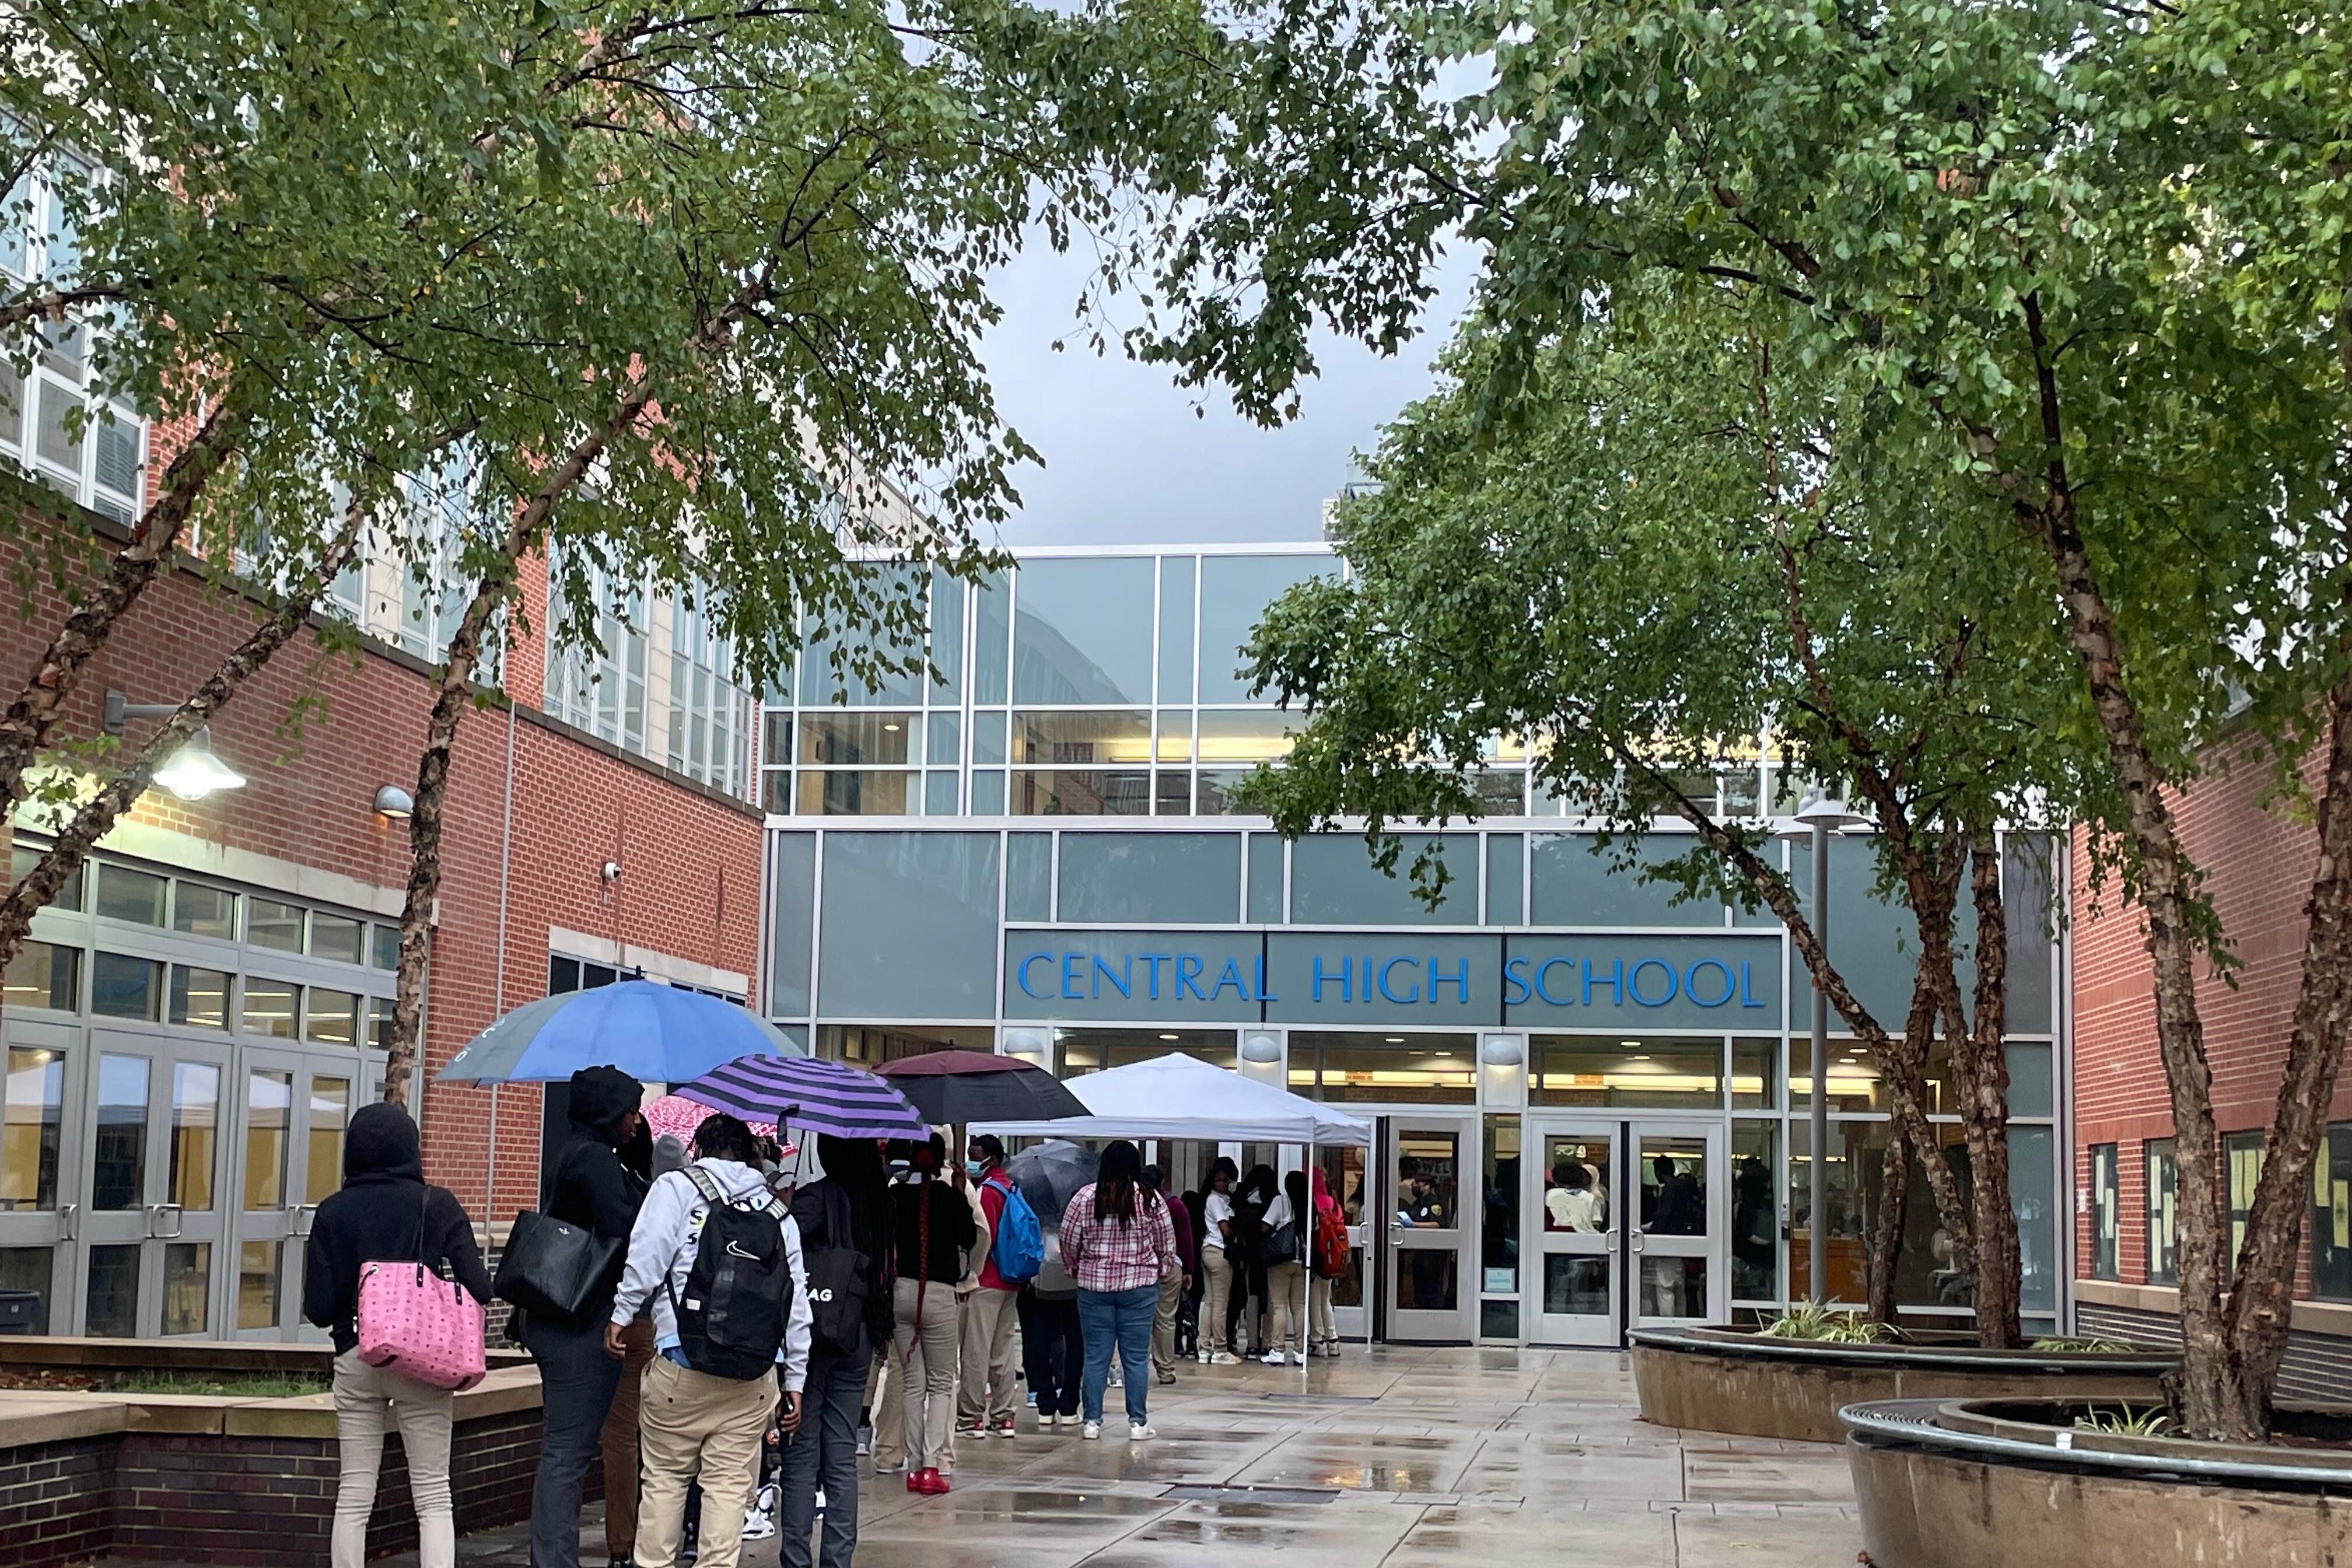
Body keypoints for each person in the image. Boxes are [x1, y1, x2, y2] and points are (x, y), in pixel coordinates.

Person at [607, 1113, 811, 1568]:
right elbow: (796, 1305)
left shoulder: (677, 1188)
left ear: (698, 1149)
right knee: (726, 1490)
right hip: (752, 1378)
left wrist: (622, 1314)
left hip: (681, 1367)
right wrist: (794, 1379)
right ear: (748, 1154)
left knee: (664, 1480)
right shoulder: (778, 1214)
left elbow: (647, 1257)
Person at [304, 1102, 492, 1568]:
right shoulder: (437, 1204)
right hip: (423, 1360)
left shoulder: (333, 1211)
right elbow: (482, 1289)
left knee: (354, 1492)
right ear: (411, 1147)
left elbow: (318, 1308)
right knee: (432, 1496)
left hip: (356, 1357)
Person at [524, 1065, 648, 1568]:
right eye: (630, 1110)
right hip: (577, 1320)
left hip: (554, 1315)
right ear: (607, 1112)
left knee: (565, 1449)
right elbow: (625, 1229)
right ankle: (554, 1560)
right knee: (568, 1453)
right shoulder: (595, 1159)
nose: (637, 1120)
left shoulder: (575, 1151)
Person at [776, 1135, 894, 1568]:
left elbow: (780, 1246)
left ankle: (795, 1556)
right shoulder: (881, 1201)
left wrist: (782, 1206)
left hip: (813, 1333)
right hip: (859, 1331)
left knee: (802, 1448)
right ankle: (838, 1559)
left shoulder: (815, 1199)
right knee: (841, 1451)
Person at [1059, 1139, 1178, 1440]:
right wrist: (1161, 1270)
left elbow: (1068, 1238)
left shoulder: (1085, 1197)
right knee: (1136, 1358)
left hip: (1094, 1287)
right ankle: (1138, 1422)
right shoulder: (1150, 1199)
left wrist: (1074, 1267)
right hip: (1139, 1286)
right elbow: (1166, 1241)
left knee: (1096, 1357)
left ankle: (1092, 1422)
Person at [891, 1133, 975, 1494]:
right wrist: (959, 1189)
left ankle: (912, 1467)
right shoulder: (949, 1198)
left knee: (913, 1384)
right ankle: (931, 1465)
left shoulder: (894, 1196)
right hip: (939, 1293)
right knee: (942, 1383)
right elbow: (969, 1238)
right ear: (941, 1161)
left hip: (901, 1291)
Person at [956, 1135, 1021, 1441]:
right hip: (1010, 1280)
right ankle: (1004, 1416)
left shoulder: (986, 1192)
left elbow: (983, 1236)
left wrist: (969, 1276)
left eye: (975, 1154)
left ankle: (970, 1417)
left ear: (991, 1159)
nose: (970, 1159)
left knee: (975, 1352)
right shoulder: (1010, 1187)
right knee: (1003, 1351)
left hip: (985, 1279)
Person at [1017, 1225, 1084, 1428]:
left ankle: (1044, 1403)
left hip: (1039, 1278)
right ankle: (1069, 1405)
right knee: (1075, 1342)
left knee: (1037, 1340)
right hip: (1073, 1282)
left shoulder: (1028, 1195)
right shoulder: (1078, 1197)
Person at [1142, 1164, 1194, 1384]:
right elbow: (1185, 1239)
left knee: (1138, 1319)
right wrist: (1188, 1269)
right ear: (1162, 1182)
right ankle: (1166, 1370)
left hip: (1141, 1267)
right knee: (1165, 1319)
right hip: (1171, 1266)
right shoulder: (1174, 1205)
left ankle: (1136, 1368)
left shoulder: (1134, 1204)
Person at [1261, 1170, 1310, 1366]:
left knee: (1279, 1305)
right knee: (1299, 1307)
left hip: (1281, 1260)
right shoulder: (1309, 1204)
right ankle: (1300, 1351)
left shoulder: (1280, 1202)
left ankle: (1278, 1350)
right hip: (1302, 1260)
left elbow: (1265, 1226)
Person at [1196, 1159, 1239, 1364]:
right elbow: (1225, 1229)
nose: (1224, 1183)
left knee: (1210, 1301)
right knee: (1220, 1303)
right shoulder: (1215, 1200)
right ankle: (1220, 1348)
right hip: (1219, 1251)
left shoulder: (1222, 1199)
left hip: (1209, 1250)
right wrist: (1238, 1231)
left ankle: (1204, 1347)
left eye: (1227, 1180)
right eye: (1220, 1180)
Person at [1234, 1166, 1277, 1356]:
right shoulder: (1273, 1199)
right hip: (1271, 1255)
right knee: (1270, 1298)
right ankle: (1267, 1341)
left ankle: (1252, 1342)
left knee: (1252, 1297)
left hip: (1250, 1255)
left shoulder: (1244, 1198)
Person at [1306, 1167, 1342, 1359]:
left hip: (1317, 1255)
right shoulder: (1333, 1201)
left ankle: (1317, 1339)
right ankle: (1333, 1338)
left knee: (1314, 1298)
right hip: (1331, 1255)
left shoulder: (1312, 1201)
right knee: (1325, 1299)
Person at [1546, 1160, 1605, 1233]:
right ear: (1580, 1178)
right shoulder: (1591, 1198)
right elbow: (1596, 1224)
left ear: (1556, 1180)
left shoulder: (1549, 1196)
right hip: (1585, 1240)